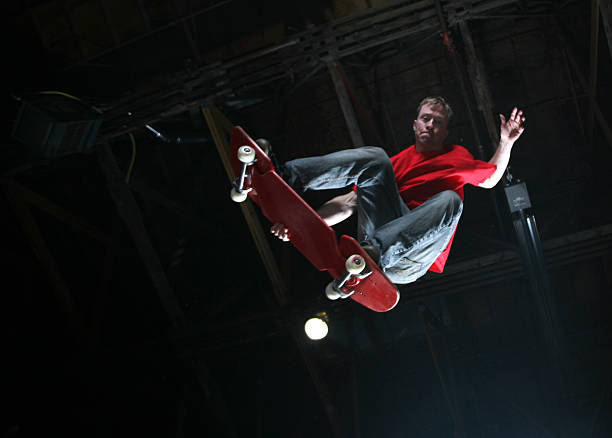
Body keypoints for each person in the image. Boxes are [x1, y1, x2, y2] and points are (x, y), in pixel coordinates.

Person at [271, 96, 525, 284]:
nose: (430, 125)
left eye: (438, 122)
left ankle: (376, 253)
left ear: (445, 132)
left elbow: (490, 179)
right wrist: (299, 224)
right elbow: (348, 203)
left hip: (413, 257)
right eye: (426, 119)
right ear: (415, 125)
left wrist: (505, 143)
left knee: (450, 200)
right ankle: (286, 175)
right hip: (379, 234)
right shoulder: (394, 164)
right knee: (375, 158)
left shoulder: (456, 157)